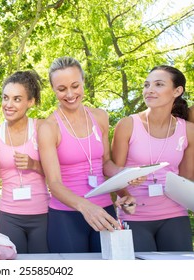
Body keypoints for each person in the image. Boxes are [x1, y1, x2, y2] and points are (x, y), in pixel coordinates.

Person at [37, 56, 136, 253]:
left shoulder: (100, 116)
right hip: (66, 216)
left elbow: (105, 163)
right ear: (53, 89)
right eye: (62, 89)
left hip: (104, 211)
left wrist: (124, 174)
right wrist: (85, 207)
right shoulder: (48, 127)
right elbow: (54, 184)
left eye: (75, 85)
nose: (70, 94)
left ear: (83, 81)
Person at [112, 65, 194, 252]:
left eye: (158, 84)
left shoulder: (188, 130)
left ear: (177, 91)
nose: (149, 90)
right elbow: (114, 174)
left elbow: (187, 178)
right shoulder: (127, 125)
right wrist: (125, 196)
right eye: (146, 85)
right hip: (135, 216)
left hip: (175, 215)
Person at [0, 70, 50, 253]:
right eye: (5, 98)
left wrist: (33, 164)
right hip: (9, 216)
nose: (8, 105)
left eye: (17, 99)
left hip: (42, 214)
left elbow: (57, 174)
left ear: (30, 102)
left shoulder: (41, 127)